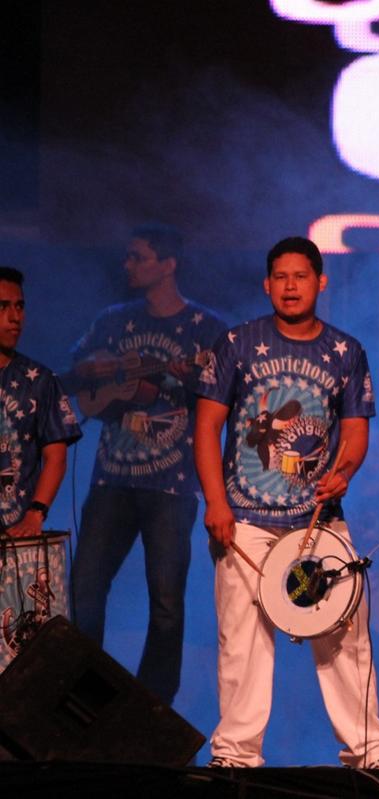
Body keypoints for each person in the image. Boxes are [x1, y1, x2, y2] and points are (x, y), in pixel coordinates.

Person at [195, 236, 379, 768]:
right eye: (280, 277)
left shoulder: (345, 351)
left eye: (301, 276)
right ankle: (236, 754)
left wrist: (344, 472)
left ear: (320, 282)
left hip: (319, 523)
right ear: (267, 284)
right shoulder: (236, 343)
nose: (290, 286)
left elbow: (354, 432)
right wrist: (216, 503)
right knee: (242, 640)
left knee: (344, 634)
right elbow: (207, 425)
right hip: (245, 521)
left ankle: (369, 751)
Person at [69, 224, 225, 705]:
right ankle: (84, 697)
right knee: (85, 589)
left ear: (168, 264)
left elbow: (224, 396)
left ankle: (150, 706)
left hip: (171, 486)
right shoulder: (113, 321)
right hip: (112, 477)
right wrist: (97, 369)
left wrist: (192, 377)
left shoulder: (206, 329)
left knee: (166, 605)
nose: (128, 265)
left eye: (138, 258)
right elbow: (75, 372)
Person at [0, 267, 81, 537]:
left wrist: (36, 513)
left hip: (17, 536)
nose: (15, 318)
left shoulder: (40, 380)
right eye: (3, 307)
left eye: (20, 307)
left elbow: (56, 456)